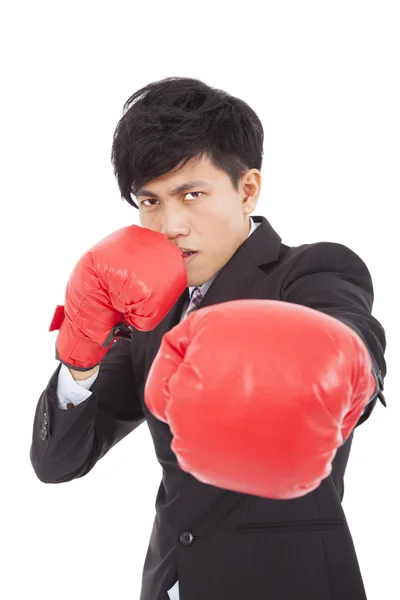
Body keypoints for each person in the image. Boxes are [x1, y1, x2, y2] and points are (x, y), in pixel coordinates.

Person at [29, 77, 387, 600]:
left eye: (191, 195)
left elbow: (354, 353)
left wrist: (326, 363)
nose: (171, 224)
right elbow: (58, 462)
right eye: (149, 201)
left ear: (247, 189)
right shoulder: (150, 310)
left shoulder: (308, 271)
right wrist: (81, 350)